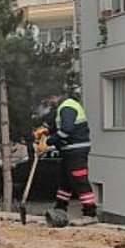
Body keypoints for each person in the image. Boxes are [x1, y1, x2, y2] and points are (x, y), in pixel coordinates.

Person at [34, 93, 96, 225]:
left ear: (55, 96)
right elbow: (60, 128)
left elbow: (66, 130)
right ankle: (60, 209)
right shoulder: (63, 107)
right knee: (65, 181)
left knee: (80, 180)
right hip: (69, 150)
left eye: (49, 99)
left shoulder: (67, 107)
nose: (48, 103)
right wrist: (46, 131)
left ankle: (90, 214)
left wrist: (48, 142)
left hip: (76, 150)